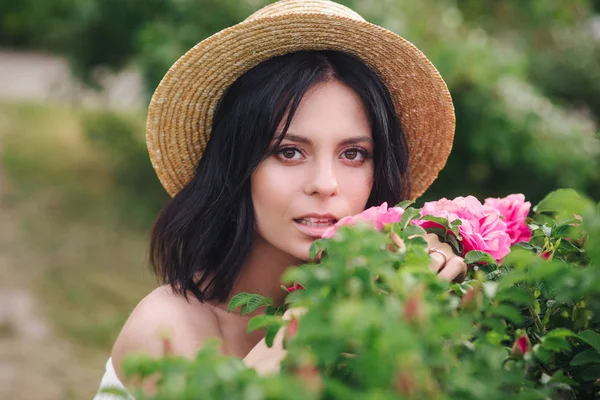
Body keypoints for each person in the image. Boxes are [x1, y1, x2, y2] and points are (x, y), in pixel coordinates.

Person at [94, 0, 464, 398]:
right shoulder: (166, 329)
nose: (325, 184)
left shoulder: (377, 313)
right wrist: (301, 335)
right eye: (289, 151)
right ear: (238, 165)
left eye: (353, 154)